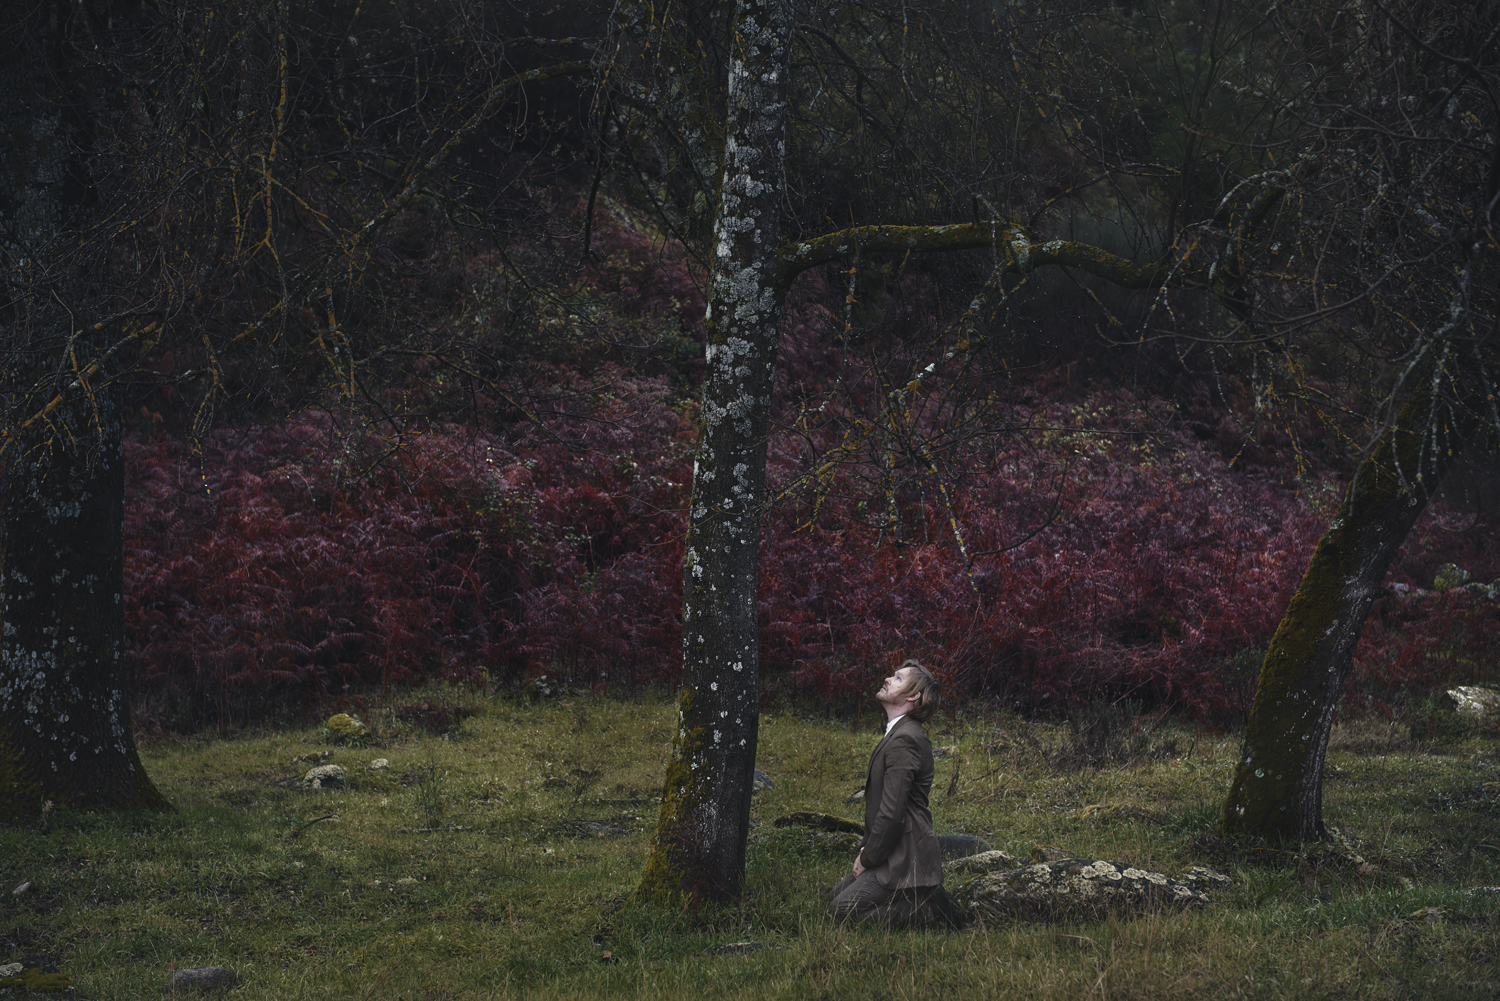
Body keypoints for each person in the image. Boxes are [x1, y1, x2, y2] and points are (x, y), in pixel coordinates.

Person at [828, 659, 961, 928]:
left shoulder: (905, 739)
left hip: (906, 858)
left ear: (913, 696)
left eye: (898, 679)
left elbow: (892, 814)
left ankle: (929, 909)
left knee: (841, 912)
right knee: (832, 900)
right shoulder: (897, 732)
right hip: (890, 850)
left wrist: (867, 859)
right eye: (893, 676)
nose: (888, 679)